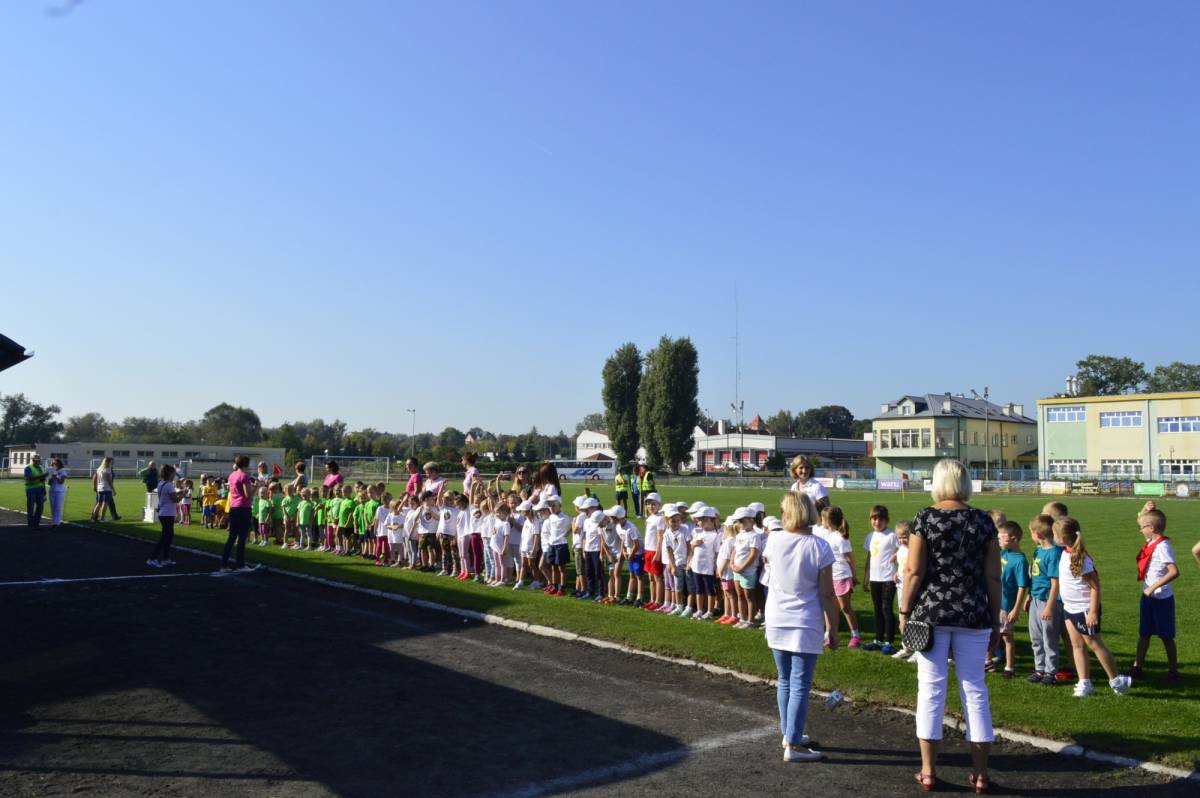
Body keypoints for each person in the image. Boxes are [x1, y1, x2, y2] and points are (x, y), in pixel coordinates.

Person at [900, 458, 1001, 794]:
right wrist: (995, 618)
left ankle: (928, 771)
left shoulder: (925, 518)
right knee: (975, 690)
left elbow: (914, 571)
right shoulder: (983, 521)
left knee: (930, 690)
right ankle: (981, 774)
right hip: (974, 613)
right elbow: (993, 575)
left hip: (931, 613)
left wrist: (904, 611)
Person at [762, 491, 838, 763]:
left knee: (785, 680)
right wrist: (833, 628)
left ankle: (789, 734)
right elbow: (827, 594)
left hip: (776, 617)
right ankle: (792, 743)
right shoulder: (820, 547)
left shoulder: (774, 540)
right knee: (799, 684)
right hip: (804, 621)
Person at [1052, 516, 1131, 698]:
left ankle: (1116, 680)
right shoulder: (1065, 553)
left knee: (1094, 643)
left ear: (1063, 538)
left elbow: (1095, 587)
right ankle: (1084, 682)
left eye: (1055, 534)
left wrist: (1093, 612)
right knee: (1077, 645)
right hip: (1069, 608)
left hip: (1084, 609)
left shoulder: (1081, 559)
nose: (1053, 537)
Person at [1129, 506, 1179, 682]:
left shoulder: (1163, 546)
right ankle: (1137, 667)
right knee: (1144, 633)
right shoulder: (1152, 542)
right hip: (1148, 598)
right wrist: (1144, 509)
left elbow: (1174, 572)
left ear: (1151, 528)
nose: (1140, 530)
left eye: (1142, 527)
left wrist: (1152, 588)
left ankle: (1173, 670)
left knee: (1166, 636)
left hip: (1161, 599)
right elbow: (1142, 519)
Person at [1026, 515, 1064, 685]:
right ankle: (1039, 668)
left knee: (1049, 638)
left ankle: (1051, 671)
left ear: (1038, 534)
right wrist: (1029, 597)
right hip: (1035, 599)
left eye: (1031, 533)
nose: (1031, 536)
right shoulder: (1038, 551)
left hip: (1048, 601)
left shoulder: (1054, 553)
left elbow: (1056, 583)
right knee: (1036, 637)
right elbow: (1034, 577)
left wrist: (1049, 607)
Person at [816, 506, 859, 648]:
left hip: (842, 576)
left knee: (845, 608)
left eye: (823, 518)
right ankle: (829, 634)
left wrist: (853, 576)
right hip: (830, 576)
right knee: (828, 606)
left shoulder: (840, 538)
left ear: (828, 520)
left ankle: (855, 635)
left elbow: (850, 559)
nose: (821, 520)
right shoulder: (828, 535)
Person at [862, 505, 899, 654]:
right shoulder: (870, 536)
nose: (877, 522)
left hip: (888, 578)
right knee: (877, 610)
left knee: (886, 609)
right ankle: (878, 640)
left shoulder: (892, 536)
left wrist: (896, 556)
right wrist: (866, 578)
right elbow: (869, 558)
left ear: (887, 520)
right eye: (874, 519)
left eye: (880, 519)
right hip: (874, 578)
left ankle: (889, 642)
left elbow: (904, 549)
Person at [996, 521, 1030, 679]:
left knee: (1007, 636)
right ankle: (989, 660)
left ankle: (1010, 667)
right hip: (995, 602)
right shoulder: (1004, 552)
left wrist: (1016, 609)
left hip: (1006, 605)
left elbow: (1022, 586)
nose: (998, 540)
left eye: (1001, 538)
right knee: (992, 633)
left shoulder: (1020, 560)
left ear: (1014, 539)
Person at [220, 455, 258, 572]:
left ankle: (224, 565)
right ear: (246, 464)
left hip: (234, 507)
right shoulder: (244, 476)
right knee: (242, 538)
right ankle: (240, 565)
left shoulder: (232, 475)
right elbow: (248, 495)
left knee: (231, 538)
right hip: (243, 508)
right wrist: (256, 487)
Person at [148, 464, 184, 567]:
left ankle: (165, 558)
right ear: (170, 474)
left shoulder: (161, 483)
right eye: (173, 473)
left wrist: (180, 492)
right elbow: (175, 499)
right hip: (167, 514)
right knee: (165, 537)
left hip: (164, 513)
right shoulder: (169, 485)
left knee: (168, 537)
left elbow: (169, 496)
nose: (174, 475)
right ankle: (152, 558)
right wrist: (184, 494)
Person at [91, 456, 120, 521]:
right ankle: (102, 518)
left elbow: (96, 477)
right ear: (108, 462)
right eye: (111, 462)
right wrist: (113, 490)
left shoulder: (99, 469)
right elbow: (109, 481)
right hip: (106, 488)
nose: (112, 463)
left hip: (99, 488)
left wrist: (95, 487)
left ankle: (93, 518)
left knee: (99, 503)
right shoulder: (108, 469)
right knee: (105, 503)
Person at [23, 453, 48, 529]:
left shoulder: (41, 468)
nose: (37, 461)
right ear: (33, 460)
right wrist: (42, 476)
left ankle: (36, 524)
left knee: (40, 507)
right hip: (31, 489)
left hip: (40, 489)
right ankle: (31, 524)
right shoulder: (28, 468)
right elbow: (29, 478)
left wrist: (44, 491)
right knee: (31, 507)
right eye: (36, 460)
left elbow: (43, 481)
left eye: (38, 460)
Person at [46, 457, 69, 528]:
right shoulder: (51, 471)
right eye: (52, 463)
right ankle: (54, 521)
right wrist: (51, 477)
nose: (53, 464)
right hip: (52, 490)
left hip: (60, 491)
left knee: (58, 507)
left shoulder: (62, 471)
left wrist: (56, 476)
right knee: (53, 507)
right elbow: (49, 483)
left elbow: (61, 482)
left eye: (54, 463)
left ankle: (57, 522)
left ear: (58, 464)